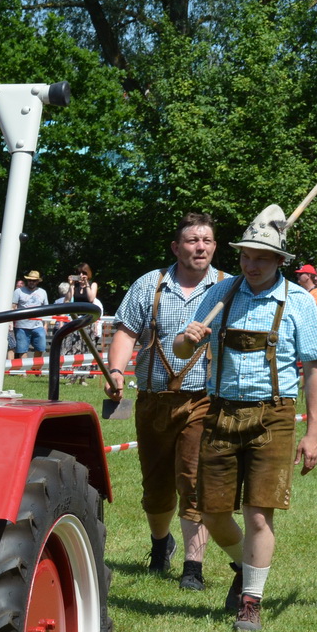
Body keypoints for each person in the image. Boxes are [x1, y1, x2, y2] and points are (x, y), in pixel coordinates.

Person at [173, 205, 317, 632]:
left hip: (273, 416)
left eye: (261, 258)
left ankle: (250, 602)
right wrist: (185, 340)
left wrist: (314, 432)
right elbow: (182, 352)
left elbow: (316, 368)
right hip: (221, 411)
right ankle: (247, 566)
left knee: (259, 514)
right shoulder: (220, 294)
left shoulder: (298, 302)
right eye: (245, 256)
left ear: (280, 262)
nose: (251, 265)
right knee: (211, 512)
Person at [105, 211, 229, 590]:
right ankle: (161, 545)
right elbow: (126, 332)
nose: (201, 247)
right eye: (193, 240)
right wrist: (114, 371)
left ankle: (193, 568)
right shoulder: (150, 285)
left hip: (203, 400)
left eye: (207, 240)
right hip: (153, 401)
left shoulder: (228, 287)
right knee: (155, 486)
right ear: (177, 247)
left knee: (193, 481)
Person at [11, 270, 49, 358]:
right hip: (22, 326)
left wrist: (46, 325)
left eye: (34, 280)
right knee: (22, 350)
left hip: (38, 325)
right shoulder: (18, 291)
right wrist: (11, 323)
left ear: (38, 282)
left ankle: (36, 369)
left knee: (41, 348)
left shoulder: (43, 292)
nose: (31, 282)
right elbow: (12, 307)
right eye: (29, 280)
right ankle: (25, 370)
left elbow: (46, 309)